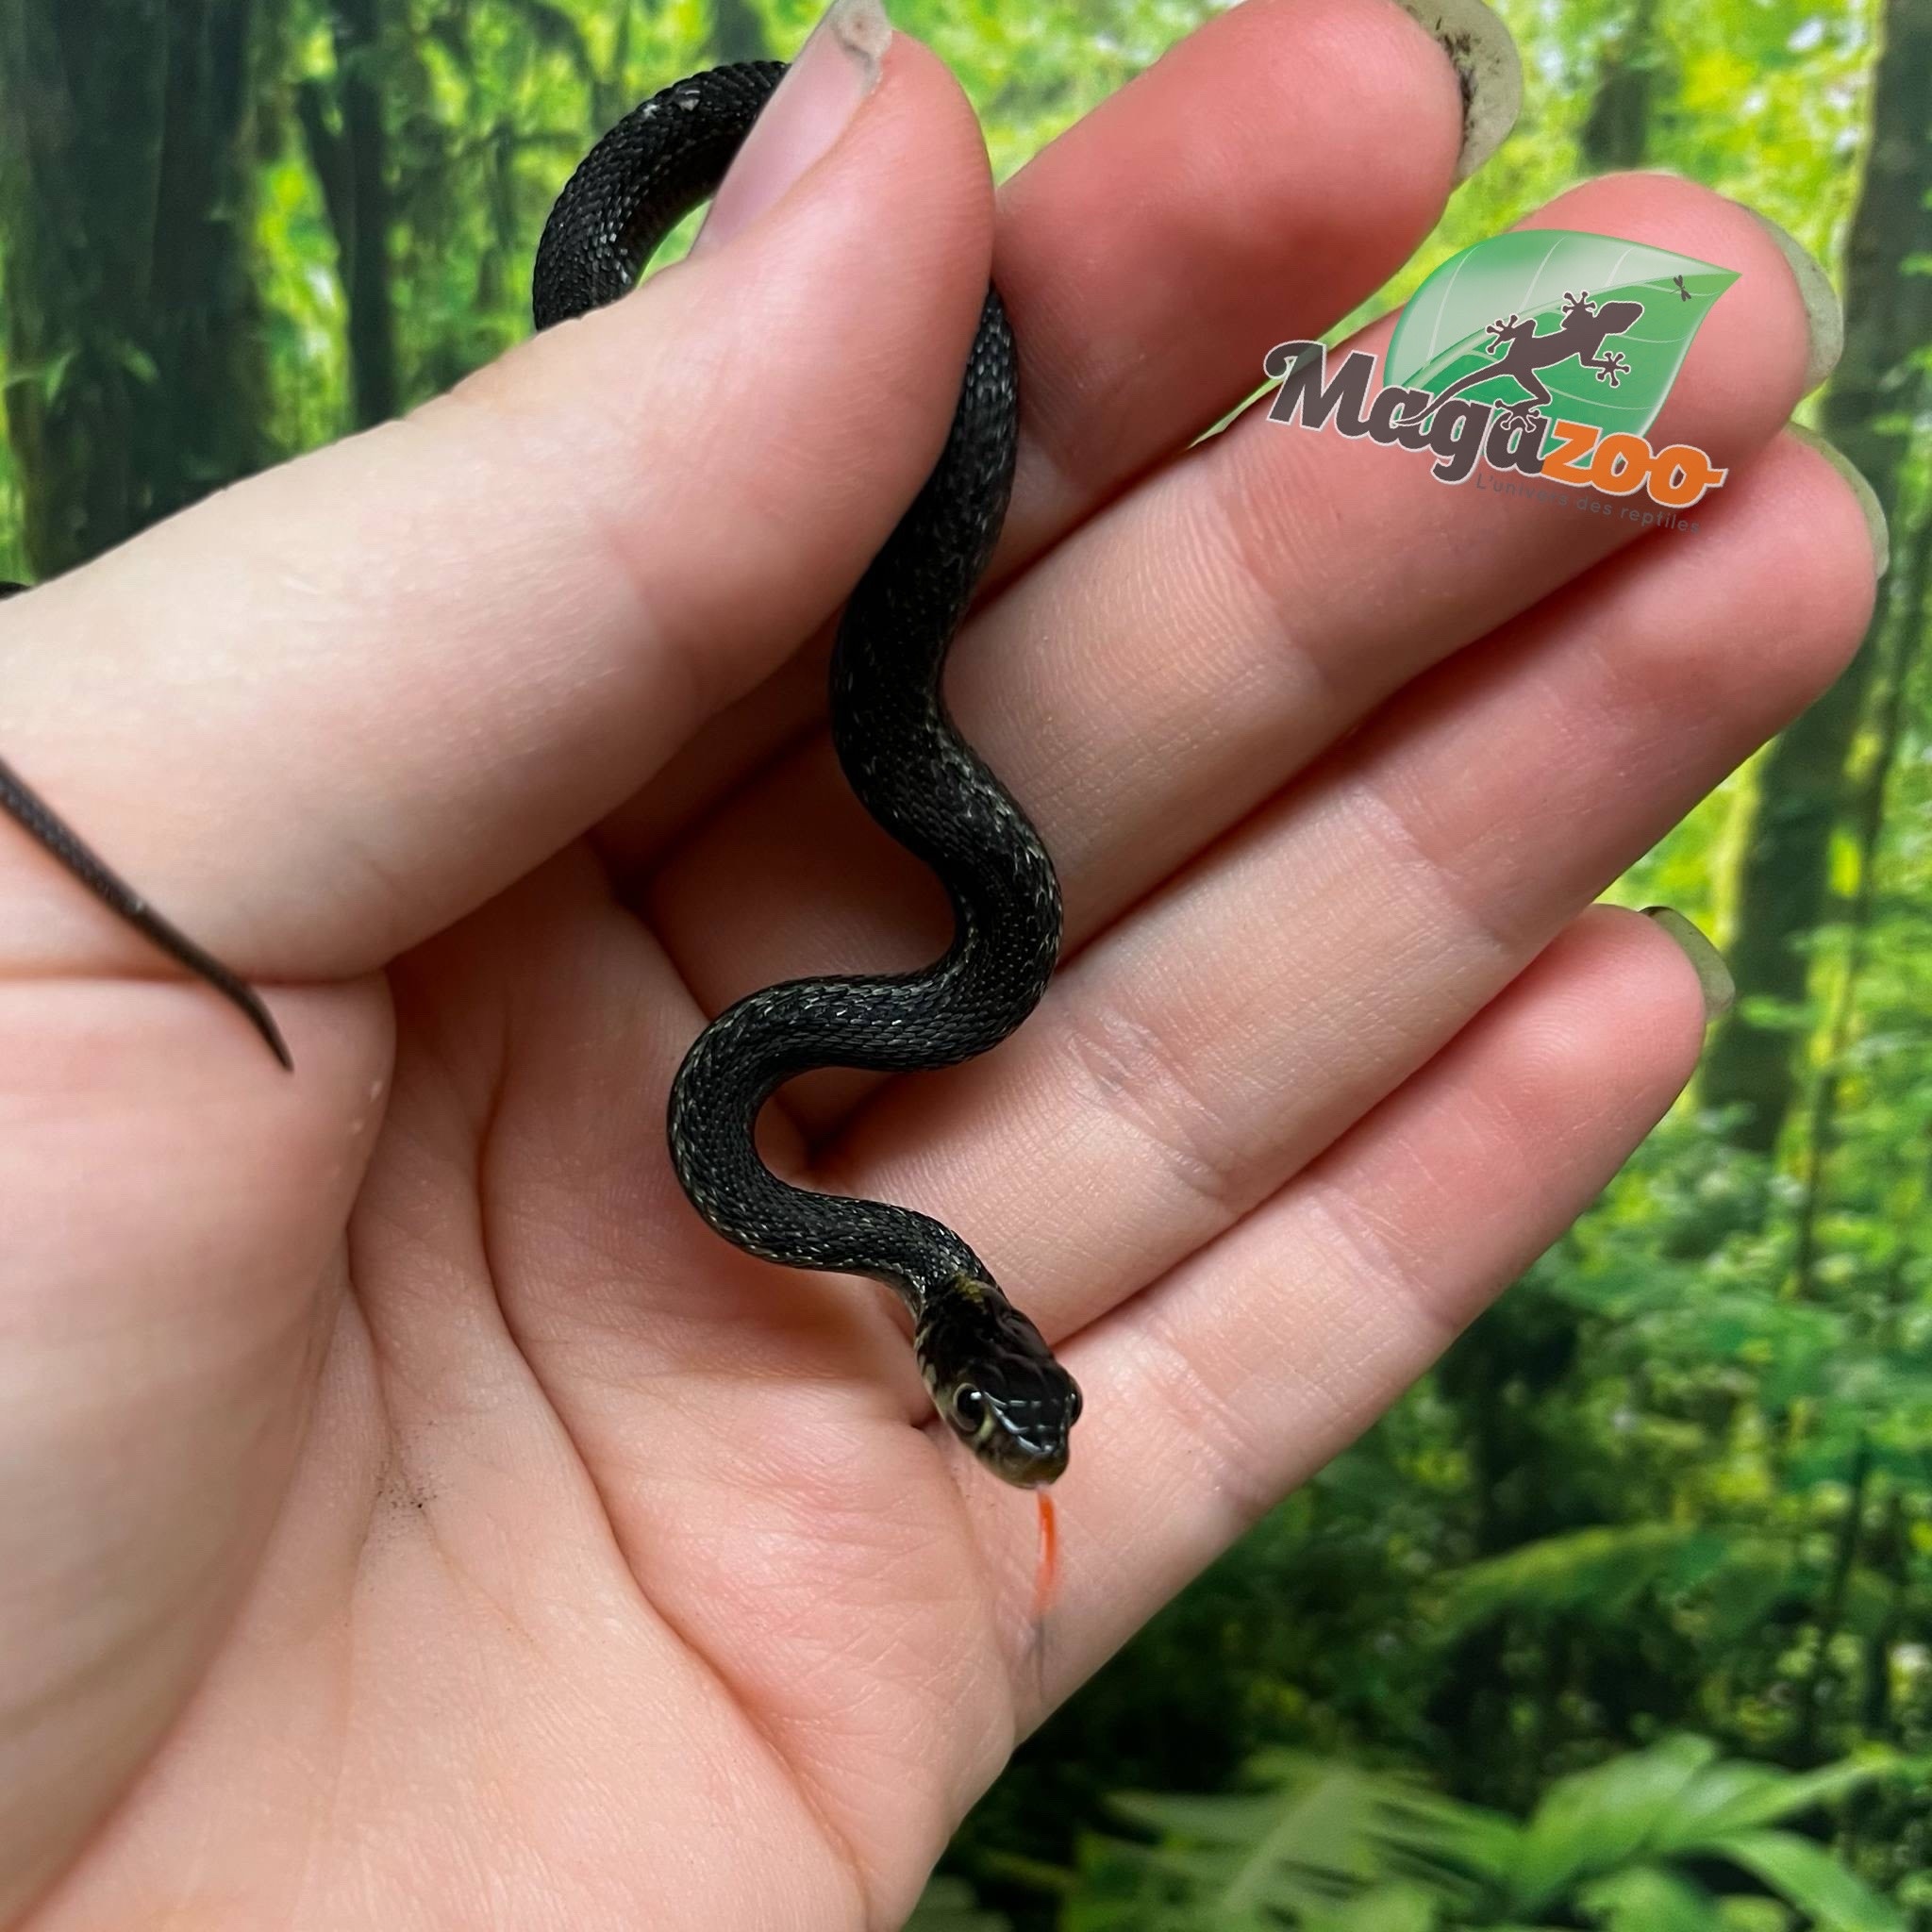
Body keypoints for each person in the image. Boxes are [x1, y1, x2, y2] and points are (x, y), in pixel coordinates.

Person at [0, 0, 1881, 1925]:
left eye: (1002, 1425)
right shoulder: (869, 1167)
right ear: (970, 1340)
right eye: (1006, 1416)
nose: (1009, 1447)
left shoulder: (805, 1158)